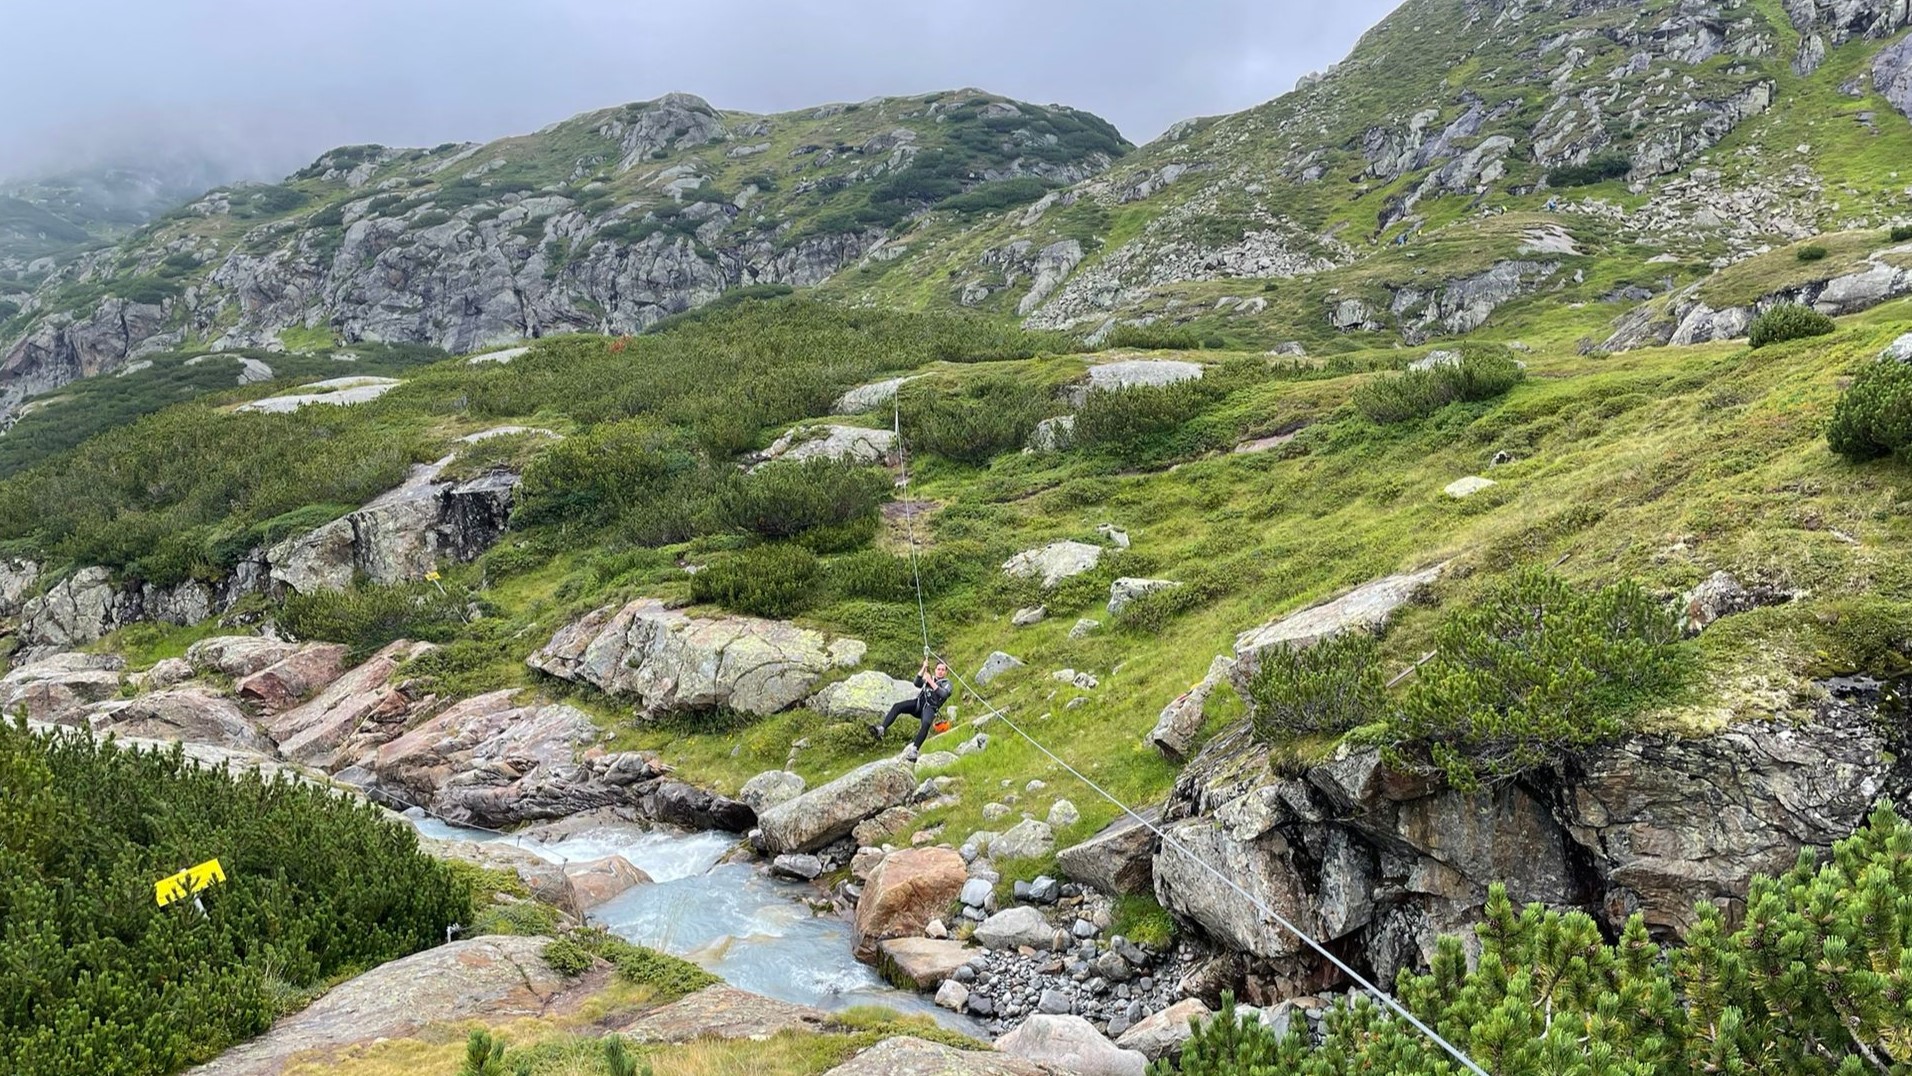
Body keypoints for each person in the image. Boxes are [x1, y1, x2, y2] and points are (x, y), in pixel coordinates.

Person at [871, 656, 953, 762]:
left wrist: (930, 682)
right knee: (898, 706)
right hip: (918, 704)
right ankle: (881, 729)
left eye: (943, 670)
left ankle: (914, 750)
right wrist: (923, 668)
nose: (940, 672)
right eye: (939, 669)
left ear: (946, 672)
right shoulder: (930, 678)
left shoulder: (947, 684)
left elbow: (944, 694)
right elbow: (917, 683)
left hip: (929, 708)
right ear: (935, 670)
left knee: (926, 724)